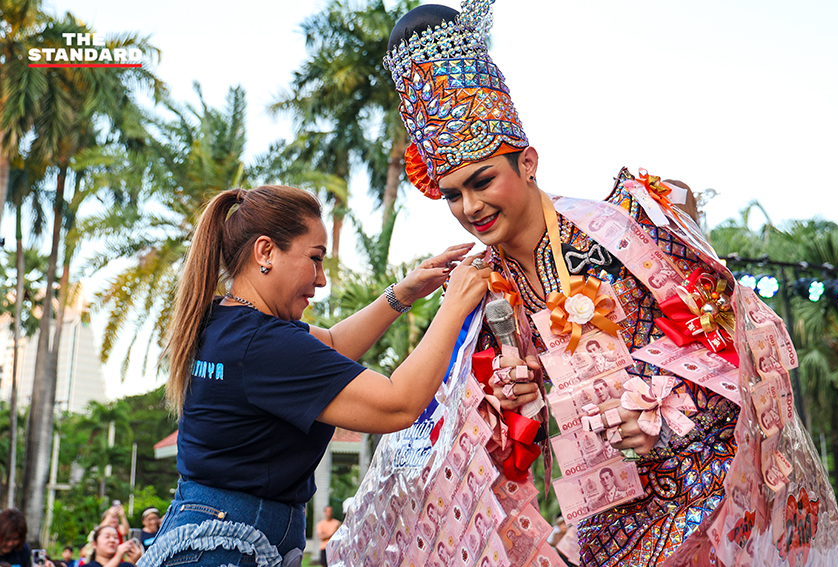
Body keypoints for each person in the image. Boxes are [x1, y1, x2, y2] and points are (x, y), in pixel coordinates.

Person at [384, 3, 740, 565]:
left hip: (708, 494)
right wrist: (515, 401)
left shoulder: (621, 227)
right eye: (452, 194)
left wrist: (659, 413)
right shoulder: (487, 286)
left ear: (527, 163)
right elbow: (511, 436)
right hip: (608, 518)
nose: (470, 207)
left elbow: (726, 340)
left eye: (482, 181)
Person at [137, 185, 489, 567]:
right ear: (265, 252)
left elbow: (333, 344)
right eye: (315, 259)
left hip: (203, 535)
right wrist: (455, 305)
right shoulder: (265, 344)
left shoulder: (222, 321)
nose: (321, 280)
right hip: (227, 547)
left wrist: (402, 294)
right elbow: (398, 405)